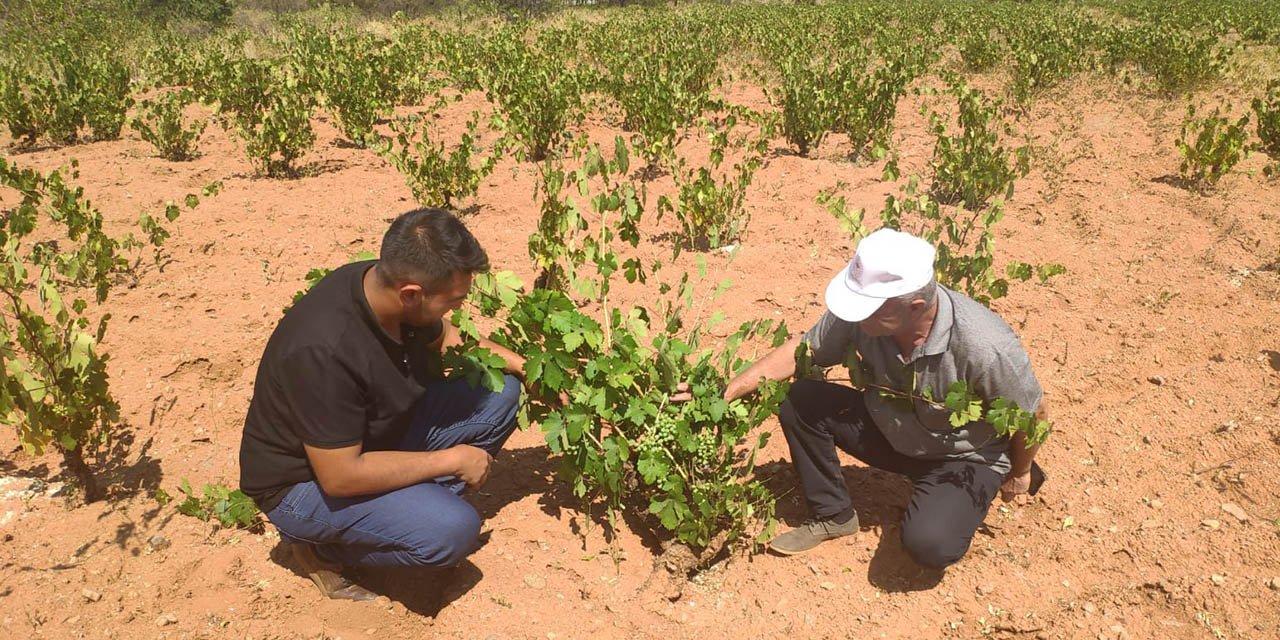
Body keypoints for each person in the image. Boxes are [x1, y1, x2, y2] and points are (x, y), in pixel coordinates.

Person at [707, 228, 1048, 569]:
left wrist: (1020, 472)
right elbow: (805, 350)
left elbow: (1032, 415)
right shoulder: (865, 315)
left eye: (867, 309)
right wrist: (727, 390)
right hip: (891, 429)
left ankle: (950, 496)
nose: (854, 315)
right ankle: (834, 514)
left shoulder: (985, 346)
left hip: (962, 457)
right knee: (800, 399)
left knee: (929, 544)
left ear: (915, 307)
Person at [239, 208, 531, 600]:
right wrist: (451, 459)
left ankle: (405, 508)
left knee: (502, 394)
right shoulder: (325, 350)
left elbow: (445, 337)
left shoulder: (385, 286)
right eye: (453, 300)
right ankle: (320, 548)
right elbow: (341, 477)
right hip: (306, 483)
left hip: (370, 437)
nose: (457, 309)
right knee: (451, 531)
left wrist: (531, 369)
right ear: (411, 294)